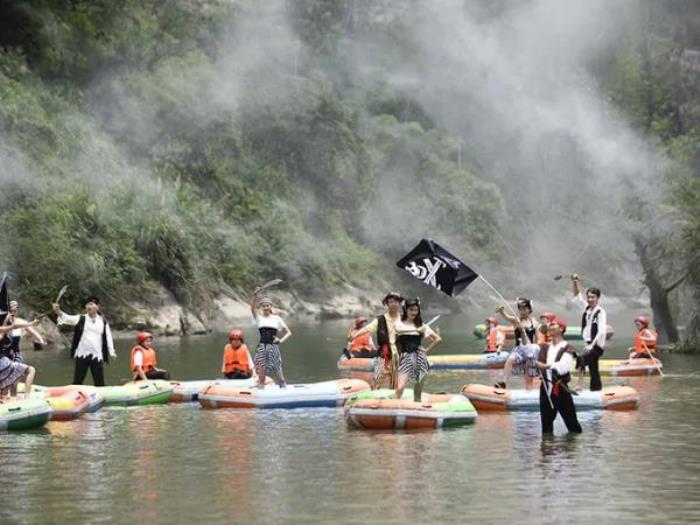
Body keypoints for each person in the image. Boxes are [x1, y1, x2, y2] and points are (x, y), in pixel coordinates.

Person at [53, 296, 116, 387]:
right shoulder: (81, 318)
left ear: (97, 307)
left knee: (99, 382)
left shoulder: (103, 321)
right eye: (87, 305)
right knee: (78, 381)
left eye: (91, 304)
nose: (88, 306)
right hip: (82, 354)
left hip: (97, 355)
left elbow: (108, 337)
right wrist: (58, 311)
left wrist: (112, 351)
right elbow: (67, 318)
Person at [535, 317, 582, 435]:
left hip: (560, 389)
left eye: (553, 324)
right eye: (549, 325)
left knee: (573, 426)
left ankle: (571, 452)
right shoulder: (545, 347)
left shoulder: (568, 347)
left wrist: (545, 366)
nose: (550, 326)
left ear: (561, 329)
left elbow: (563, 367)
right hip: (545, 389)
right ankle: (547, 450)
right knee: (546, 427)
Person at [350, 291, 403, 389]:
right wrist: (355, 334)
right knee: (378, 376)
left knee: (395, 377)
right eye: (390, 302)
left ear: (399, 303)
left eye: (395, 301)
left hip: (398, 351)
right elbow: (367, 328)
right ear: (387, 304)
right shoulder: (381, 319)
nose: (393, 304)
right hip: (384, 351)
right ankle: (373, 393)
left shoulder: (403, 319)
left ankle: (393, 395)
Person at [394, 298, 442, 402]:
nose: (414, 312)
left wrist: (426, 349)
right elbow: (398, 330)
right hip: (405, 357)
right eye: (411, 309)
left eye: (416, 310)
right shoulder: (399, 322)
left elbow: (437, 339)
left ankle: (417, 405)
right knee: (400, 387)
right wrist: (416, 330)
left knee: (418, 390)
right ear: (406, 309)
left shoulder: (422, 325)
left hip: (420, 357)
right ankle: (394, 406)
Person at [571, 274, 607, 391]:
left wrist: (592, 345)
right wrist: (575, 282)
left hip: (596, 345)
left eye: (593, 297)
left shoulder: (601, 312)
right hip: (589, 343)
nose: (590, 299)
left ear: (598, 298)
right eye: (589, 297)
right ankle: (596, 389)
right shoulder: (587, 309)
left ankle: (579, 386)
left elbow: (601, 331)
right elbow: (577, 297)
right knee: (593, 368)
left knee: (581, 359)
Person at [250, 288, 292, 388]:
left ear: (271, 307)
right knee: (262, 377)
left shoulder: (277, 319)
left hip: (273, 347)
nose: (265, 307)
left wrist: (280, 340)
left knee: (279, 375)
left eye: (267, 305)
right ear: (261, 307)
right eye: (263, 306)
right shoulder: (259, 318)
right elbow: (252, 308)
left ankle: (284, 389)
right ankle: (260, 393)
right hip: (262, 347)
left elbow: (289, 332)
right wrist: (255, 295)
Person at [495, 298, 540, 390]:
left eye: (524, 309)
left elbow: (538, 339)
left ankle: (529, 390)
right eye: (520, 309)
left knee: (529, 374)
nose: (522, 311)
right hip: (519, 349)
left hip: (530, 350)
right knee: (510, 359)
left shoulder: (534, 322)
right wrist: (501, 311)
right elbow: (506, 316)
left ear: (529, 309)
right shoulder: (516, 320)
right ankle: (503, 382)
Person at [0, 317, 41, 398]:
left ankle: (6, 397)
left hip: (4, 361)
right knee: (30, 370)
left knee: (6, 383)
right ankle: (26, 397)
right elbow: (13, 326)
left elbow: (13, 326)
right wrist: (31, 323)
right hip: (3, 363)